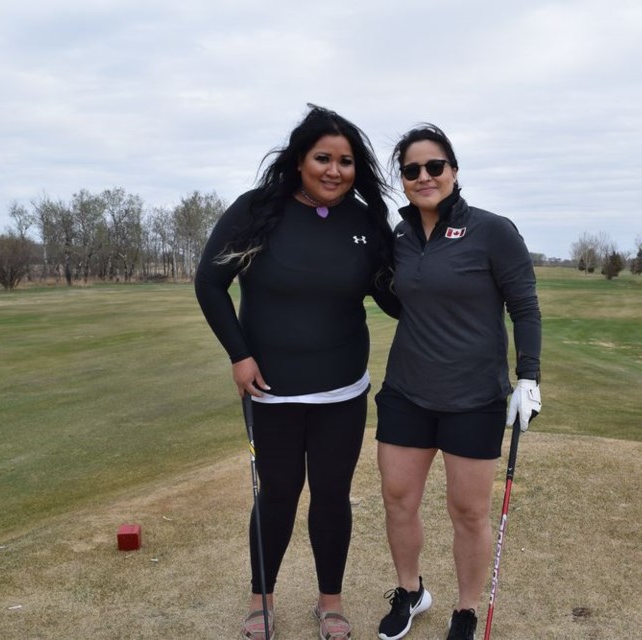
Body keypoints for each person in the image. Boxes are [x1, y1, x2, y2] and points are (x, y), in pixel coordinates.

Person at [195, 104, 399, 640]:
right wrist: (239, 354)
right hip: (272, 390)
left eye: (347, 161)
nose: (335, 170)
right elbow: (209, 283)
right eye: (323, 158)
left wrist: (451, 285)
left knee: (332, 495)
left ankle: (329, 602)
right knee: (279, 494)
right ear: (300, 160)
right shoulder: (257, 211)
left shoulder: (364, 221)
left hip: (343, 390)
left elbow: (393, 295)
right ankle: (261, 600)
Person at [374, 124, 542, 640]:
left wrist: (528, 376)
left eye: (434, 166)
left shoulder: (493, 230)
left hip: (474, 397)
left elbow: (525, 307)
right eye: (411, 170)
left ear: (453, 171)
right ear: (402, 180)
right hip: (407, 391)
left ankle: (466, 609)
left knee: (468, 511)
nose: (423, 177)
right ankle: (410, 592)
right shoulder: (398, 238)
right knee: (398, 499)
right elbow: (398, 302)